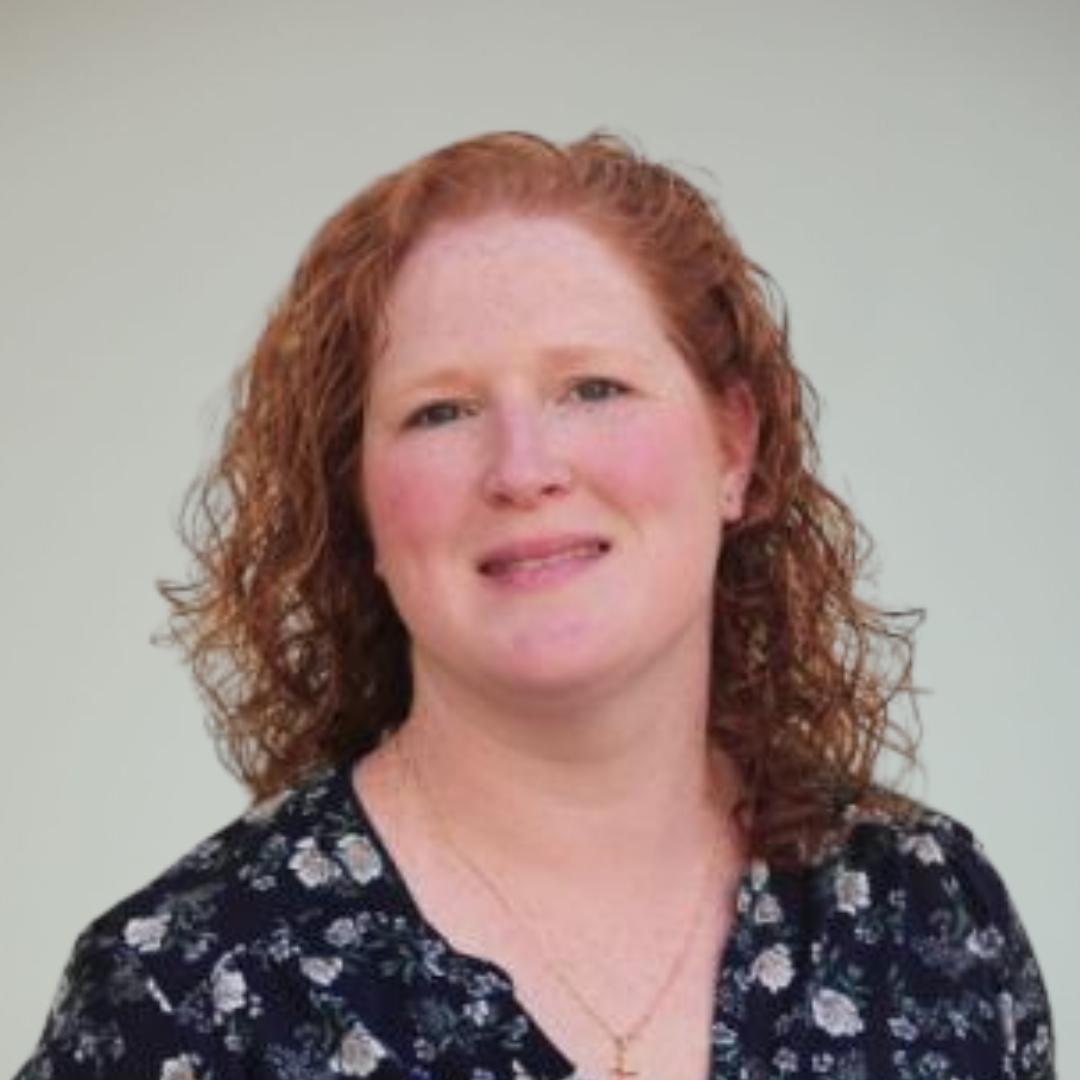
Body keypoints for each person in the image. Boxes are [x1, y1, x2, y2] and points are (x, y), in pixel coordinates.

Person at [16, 131, 1054, 1080]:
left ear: (733, 446)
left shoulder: (930, 914)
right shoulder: (184, 994)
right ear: (357, 500)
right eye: (441, 411)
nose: (523, 468)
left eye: (594, 388)